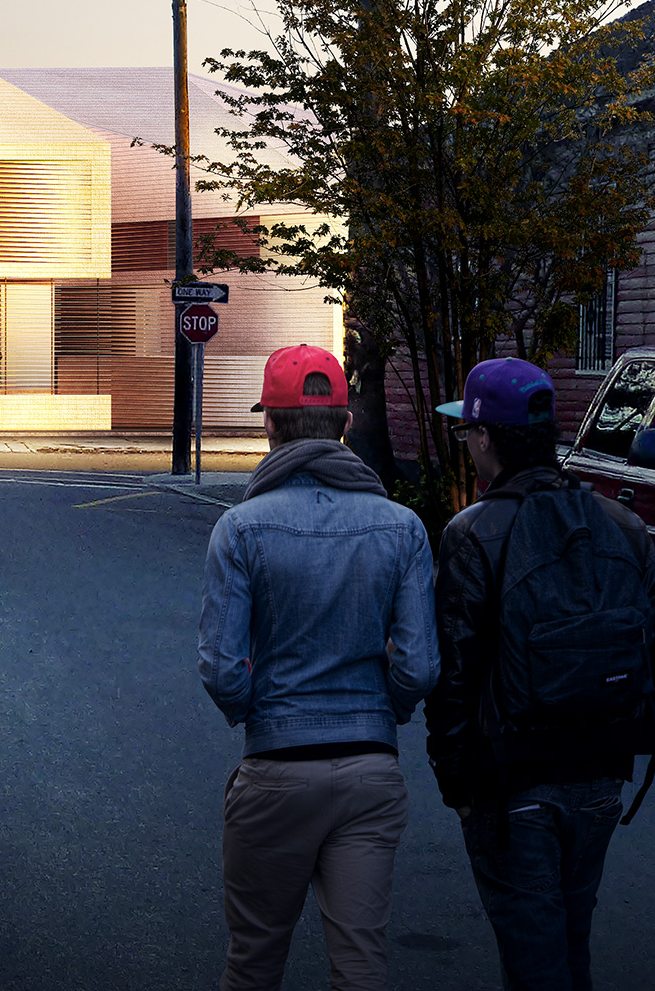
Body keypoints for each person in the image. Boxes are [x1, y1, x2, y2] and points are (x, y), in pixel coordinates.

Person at [425, 357, 655, 991]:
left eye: (468, 432)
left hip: (512, 785)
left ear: (484, 437)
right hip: (602, 780)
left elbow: (453, 675)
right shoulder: (622, 525)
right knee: (569, 948)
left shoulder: (472, 534)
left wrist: (456, 783)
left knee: (534, 964)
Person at [200, 345, 437, 991]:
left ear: (269, 425)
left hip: (277, 770)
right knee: (361, 966)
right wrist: (383, 708)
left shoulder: (240, 529)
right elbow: (418, 667)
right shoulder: (403, 527)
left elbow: (222, 671)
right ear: (346, 425)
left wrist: (261, 713)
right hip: (369, 770)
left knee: (254, 962)